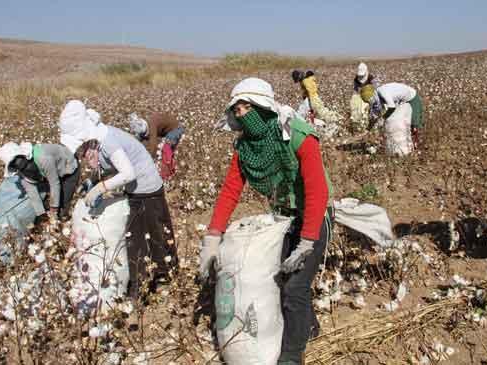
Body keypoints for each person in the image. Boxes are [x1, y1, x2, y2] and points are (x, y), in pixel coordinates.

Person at [200, 78, 333, 364]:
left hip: (315, 215)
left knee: (295, 287)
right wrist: (213, 236)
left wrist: (308, 240)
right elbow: (230, 192)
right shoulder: (245, 149)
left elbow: (317, 191)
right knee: (284, 278)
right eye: (236, 110)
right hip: (284, 218)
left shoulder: (297, 135)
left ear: (263, 107)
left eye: (246, 107)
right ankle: (308, 329)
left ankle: (291, 355)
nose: (240, 114)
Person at [58, 100, 177, 299]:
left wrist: (100, 188)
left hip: (146, 188)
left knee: (142, 237)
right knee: (153, 231)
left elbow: (128, 173)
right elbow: (110, 166)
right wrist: (92, 181)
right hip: (140, 187)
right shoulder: (98, 139)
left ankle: (147, 285)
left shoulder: (108, 140)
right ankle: (159, 274)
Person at [0, 141, 79, 223]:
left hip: (68, 166)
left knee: (62, 204)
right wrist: (40, 213)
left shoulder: (43, 157)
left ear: (21, 155)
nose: (17, 164)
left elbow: (54, 183)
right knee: (49, 198)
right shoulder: (20, 170)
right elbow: (31, 190)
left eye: (16, 160)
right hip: (51, 171)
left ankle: (63, 211)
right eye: (13, 164)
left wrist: (54, 208)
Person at [361, 82, 424, 155]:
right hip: (402, 103)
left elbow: (391, 107)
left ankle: (416, 148)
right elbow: (375, 116)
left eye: (369, 101)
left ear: (373, 95)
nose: (370, 103)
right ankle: (405, 149)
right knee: (401, 125)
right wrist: (368, 129)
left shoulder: (383, 92)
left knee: (414, 125)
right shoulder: (376, 100)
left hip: (412, 99)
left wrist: (383, 118)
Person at [129, 112, 185, 181]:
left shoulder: (152, 125)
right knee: (165, 151)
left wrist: (149, 160)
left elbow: (153, 145)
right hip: (167, 132)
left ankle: (166, 175)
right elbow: (139, 140)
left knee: (166, 148)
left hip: (176, 129)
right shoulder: (144, 125)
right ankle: (171, 169)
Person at [350, 62, 378, 131]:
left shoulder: (371, 78)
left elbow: (376, 89)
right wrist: (354, 101)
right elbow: (355, 90)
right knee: (360, 111)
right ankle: (361, 125)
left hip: (371, 96)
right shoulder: (356, 79)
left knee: (371, 110)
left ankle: (371, 125)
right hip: (362, 96)